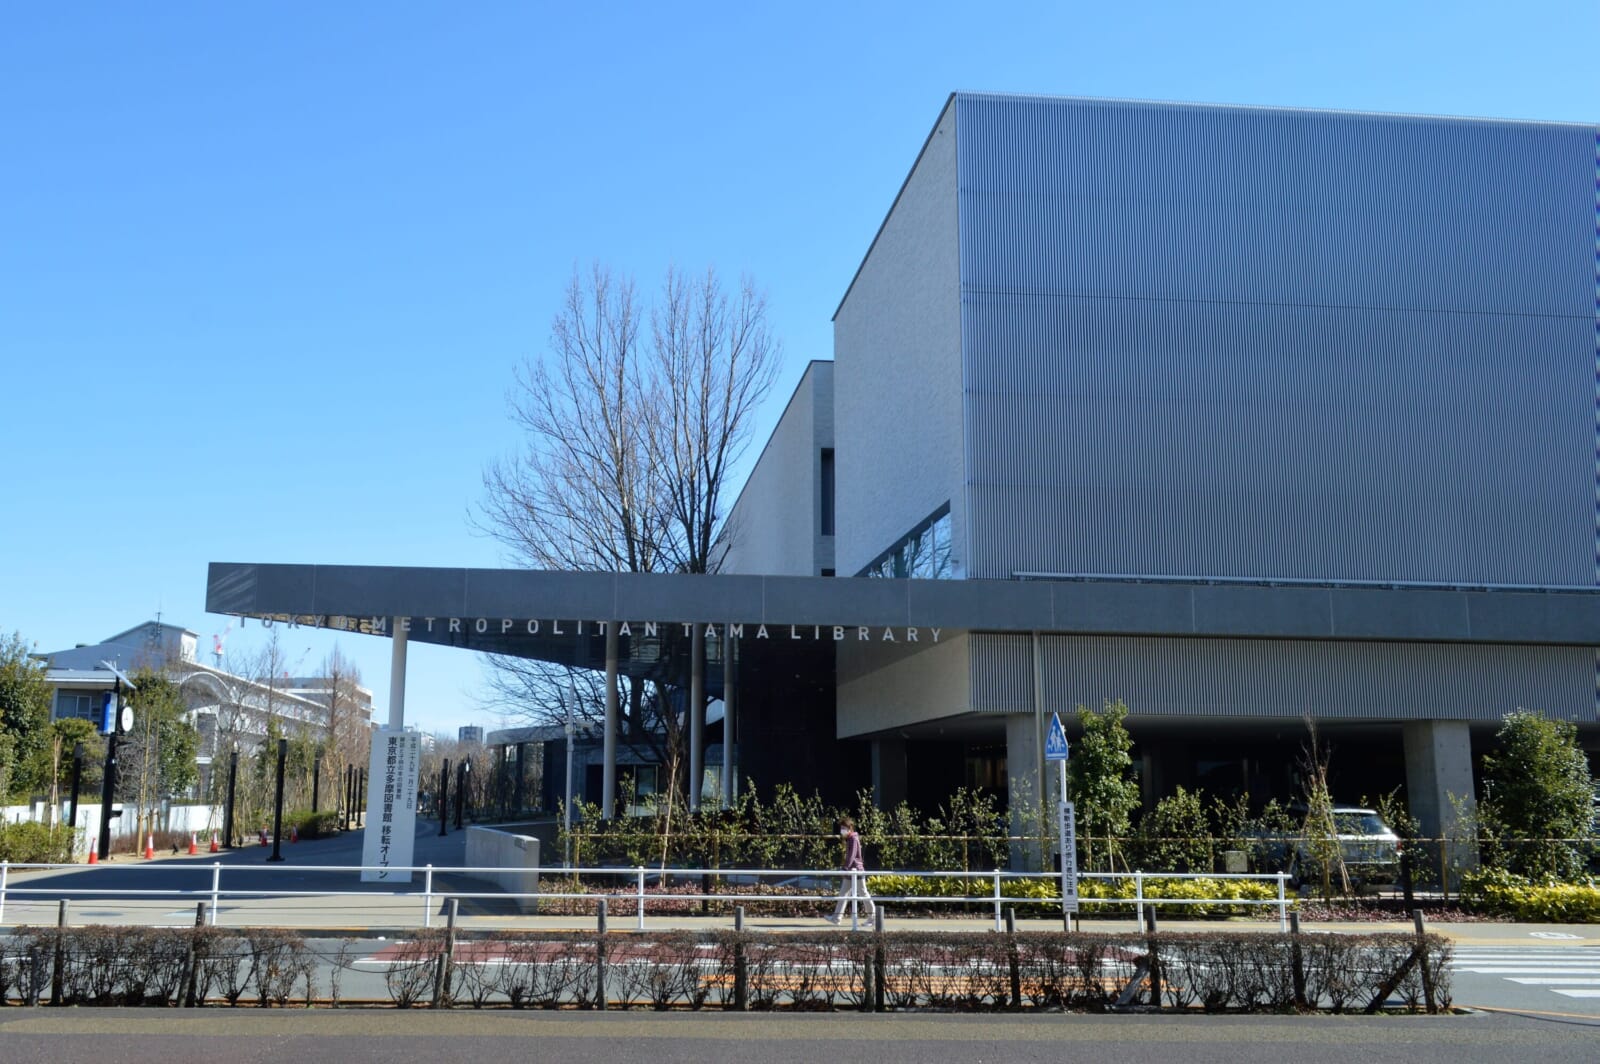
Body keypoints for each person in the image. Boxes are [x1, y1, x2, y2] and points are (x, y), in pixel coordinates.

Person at [825, 816, 875, 923]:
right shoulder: (850, 839)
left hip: (856, 870)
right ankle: (837, 918)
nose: (842, 830)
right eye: (841, 828)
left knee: (863, 893)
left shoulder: (853, 839)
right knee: (843, 893)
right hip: (851, 870)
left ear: (850, 828)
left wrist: (845, 868)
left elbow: (851, 856)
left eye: (844, 828)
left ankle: (873, 917)